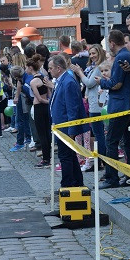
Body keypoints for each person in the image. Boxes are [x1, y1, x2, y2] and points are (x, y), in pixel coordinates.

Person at [98, 30, 130, 188]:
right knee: (128, 142)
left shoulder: (121, 57)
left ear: (112, 43)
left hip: (120, 105)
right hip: (127, 104)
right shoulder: (127, 54)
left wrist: (101, 82)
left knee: (111, 142)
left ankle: (111, 178)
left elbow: (116, 84)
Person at [49, 54, 88, 187]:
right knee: (70, 156)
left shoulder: (68, 82)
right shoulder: (62, 80)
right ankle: (76, 181)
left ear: (58, 68)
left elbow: (73, 107)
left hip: (66, 126)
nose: (49, 70)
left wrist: (71, 129)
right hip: (61, 125)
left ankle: (67, 184)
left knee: (65, 156)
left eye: (51, 68)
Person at [71, 44, 107, 171]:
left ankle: (101, 162)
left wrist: (79, 72)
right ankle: (100, 162)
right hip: (93, 104)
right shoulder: (93, 67)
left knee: (99, 135)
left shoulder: (99, 68)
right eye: (90, 54)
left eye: (94, 53)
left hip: (97, 106)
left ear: (100, 53)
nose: (92, 56)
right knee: (97, 135)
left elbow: (89, 83)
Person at [27, 55, 52, 167]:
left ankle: (46, 159)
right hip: (46, 108)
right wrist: (49, 102)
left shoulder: (33, 82)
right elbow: (49, 95)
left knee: (42, 134)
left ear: (31, 68)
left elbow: (40, 99)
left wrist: (47, 102)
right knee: (47, 132)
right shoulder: (44, 77)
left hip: (39, 107)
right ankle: (48, 156)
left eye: (26, 67)